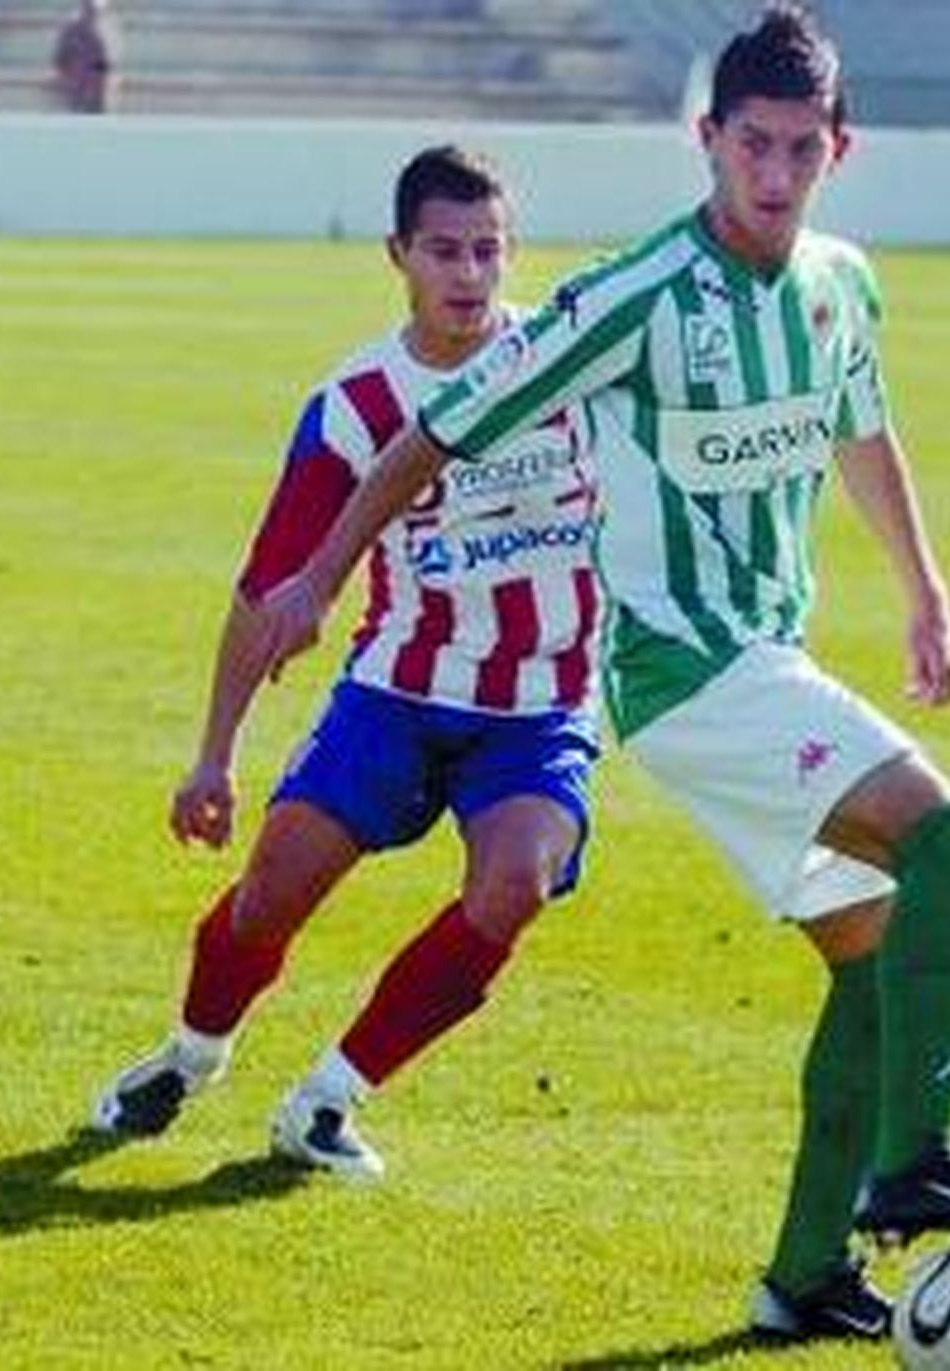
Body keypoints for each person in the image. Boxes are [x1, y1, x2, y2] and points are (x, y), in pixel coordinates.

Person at [258, 4, 950, 1344]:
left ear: (837, 150)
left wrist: (924, 590)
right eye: (754, 143)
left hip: (767, 660)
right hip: (682, 670)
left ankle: (804, 1272)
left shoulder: (840, 283)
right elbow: (435, 435)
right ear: (708, 141)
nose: (777, 171)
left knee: (869, 968)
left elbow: (863, 425)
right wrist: (321, 573)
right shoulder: (633, 296)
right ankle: (920, 1158)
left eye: (803, 148)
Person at [92, 146, 602, 1184]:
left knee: (516, 883)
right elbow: (266, 588)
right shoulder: (357, 402)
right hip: (398, 693)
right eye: (445, 251)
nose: (469, 275)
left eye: (489, 251)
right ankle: (191, 1055)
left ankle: (328, 1099)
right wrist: (213, 757)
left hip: (542, 706)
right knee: (269, 895)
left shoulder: (573, 366)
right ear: (397, 254)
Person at [52, 0, 121, 114]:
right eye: (88, 6)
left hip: (96, 92)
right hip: (76, 89)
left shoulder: (108, 28)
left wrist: (101, 79)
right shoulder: (71, 28)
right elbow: (60, 58)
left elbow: (106, 61)